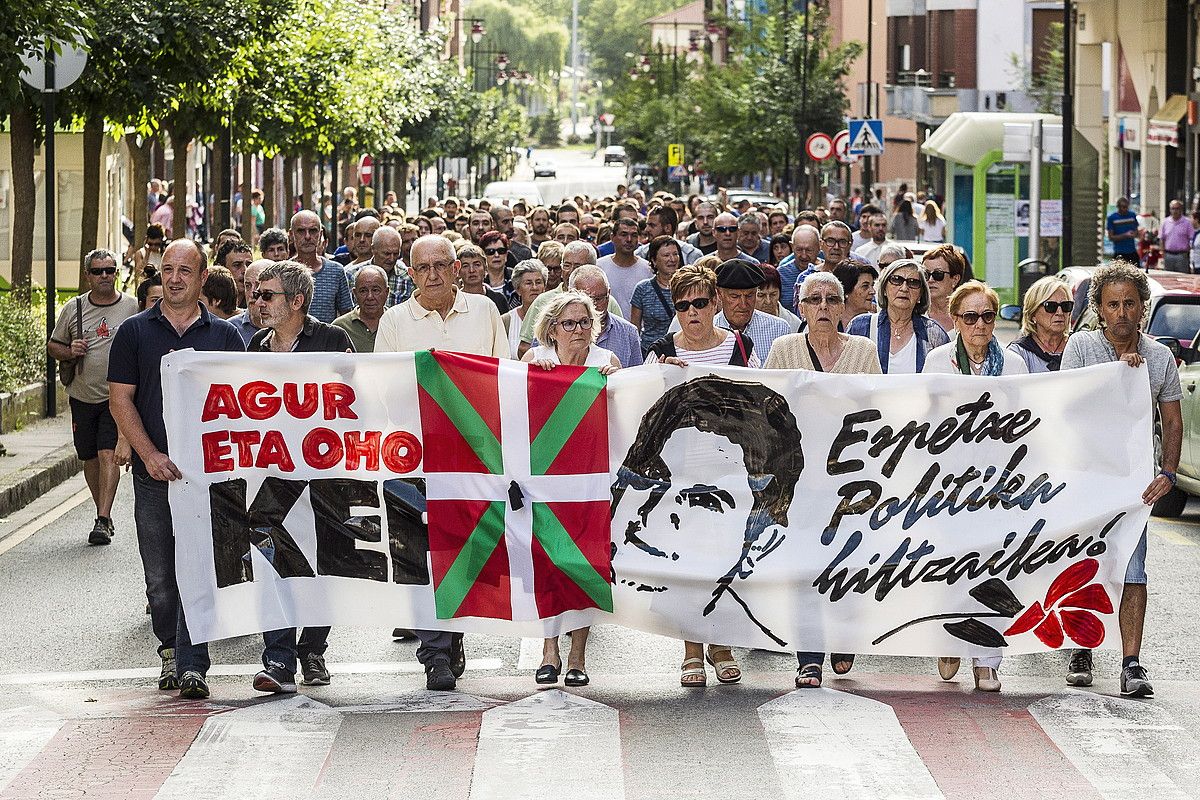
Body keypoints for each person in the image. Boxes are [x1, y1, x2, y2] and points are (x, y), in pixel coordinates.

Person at [107, 239, 246, 700]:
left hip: (207, 480)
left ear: (204, 278)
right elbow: (120, 399)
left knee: (199, 569)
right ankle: (170, 647)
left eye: (185, 270)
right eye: (167, 269)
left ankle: (192, 663)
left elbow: (246, 404)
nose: (174, 277)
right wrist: (147, 454)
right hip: (153, 474)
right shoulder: (133, 332)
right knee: (161, 579)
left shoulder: (225, 337)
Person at [374, 235, 508, 691]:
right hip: (416, 455)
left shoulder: (485, 312)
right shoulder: (394, 322)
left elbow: (502, 376)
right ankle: (434, 651)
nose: (432, 274)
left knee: (464, 550)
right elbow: (384, 388)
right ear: (409, 274)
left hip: (474, 453)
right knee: (421, 551)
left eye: (440, 265)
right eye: (422, 267)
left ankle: (452, 634)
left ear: (457, 268)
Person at [1060, 262, 1181, 698]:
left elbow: (1171, 419)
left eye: (1130, 303)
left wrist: (1168, 471)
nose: (1123, 312)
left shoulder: (1160, 357)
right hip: (1087, 481)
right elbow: (1069, 407)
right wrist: (1117, 375)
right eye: (1113, 304)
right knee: (1083, 565)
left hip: (1135, 487)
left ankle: (1131, 662)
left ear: (1142, 307)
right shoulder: (1080, 348)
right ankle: (1081, 648)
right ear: (1099, 308)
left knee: (1133, 568)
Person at [764, 271, 880, 688]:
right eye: (816, 300)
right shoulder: (784, 349)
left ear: (845, 306)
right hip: (801, 476)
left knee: (848, 557)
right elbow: (769, 409)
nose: (825, 308)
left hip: (851, 476)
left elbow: (877, 410)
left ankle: (845, 635)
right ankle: (809, 655)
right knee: (804, 563)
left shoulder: (864, 351)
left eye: (833, 300)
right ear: (802, 308)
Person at [645, 263, 757, 686]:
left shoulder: (740, 348)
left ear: (715, 305)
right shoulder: (659, 349)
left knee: (727, 557)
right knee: (688, 561)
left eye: (700, 303)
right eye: (683, 304)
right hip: (680, 474)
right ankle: (692, 649)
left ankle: (722, 644)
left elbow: (756, 402)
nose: (692, 312)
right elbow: (644, 410)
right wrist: (660, 377)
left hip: (729, 470)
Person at [245, 261, 354, 691]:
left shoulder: (332, 340)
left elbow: (354, 399)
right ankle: (277, 660)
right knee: (271, 555)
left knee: (324, 560)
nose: (258, 302)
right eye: (256, 295)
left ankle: (312, 649)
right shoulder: (256, 345)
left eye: (267, 295)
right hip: (274, 471)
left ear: (296, 301)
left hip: (327, 471)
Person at [521, 292, 620, 688]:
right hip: (545, 477)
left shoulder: (605, 363)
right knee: (548, 561)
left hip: (591, 479)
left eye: (584, 322)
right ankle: (549, 649)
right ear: (551, 329)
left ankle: (578, 654)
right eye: (569, 323)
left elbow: (625, 413)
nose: (578, 330)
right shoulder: (535, 361)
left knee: (584, 564)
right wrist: (535, 373)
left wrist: (619, 384)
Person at [47, 248, 139, 545]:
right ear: (88, 275)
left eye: (110, 270)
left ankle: (103, 516)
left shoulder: (131, 307)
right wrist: (69, 349)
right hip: (82, 396)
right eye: (98, 271)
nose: (105, 276)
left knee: (107, 452)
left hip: (117, 397)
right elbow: (53, 346)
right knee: (89, 456)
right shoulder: (73, 308)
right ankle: (103, 510)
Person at [847, 258, 949, 373]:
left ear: (920, 295)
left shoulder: (934, 334)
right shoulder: (860, 327)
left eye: (913, 283)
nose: (904, 288)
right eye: (896, 280)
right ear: (884, 289)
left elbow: (944, 383)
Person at [567, 265, 644, 368]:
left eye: (598, 299)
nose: (592, 305)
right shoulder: (553, 330)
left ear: (608, 295)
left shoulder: (628, 334)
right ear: (570, 295)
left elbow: (635, 379)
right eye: (586, 299)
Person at [289, 210, 353, 323]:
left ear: (321, 234)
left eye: (313, 231)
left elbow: (346, 316)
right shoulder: (282, 273)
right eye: (301, 231)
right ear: (291, 234)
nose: (307, 236)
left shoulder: (336, 271)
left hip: (327, 340)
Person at [1008, 275, 1072, 373]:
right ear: (1033, 314)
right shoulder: (1018, 352)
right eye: (1051, 306)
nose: (1060, 312)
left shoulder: (1079, 346)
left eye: (1065, 306)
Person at [630, 236, 682, 353]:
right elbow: (635, 327)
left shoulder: (688, 287)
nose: (672, 259)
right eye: (666, 255)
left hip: (680, 350)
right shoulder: (643, 288)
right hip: (650, 351)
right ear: (654, 260)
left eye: (675, 254)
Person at [597, 217, 653, 318]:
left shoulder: (648, 269)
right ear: (612, 237)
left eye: (634, 235)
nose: (629, 240)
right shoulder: (599, 267)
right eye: (624, 235)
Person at [334, 264, 390, 353]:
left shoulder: (397, 323)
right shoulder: (340, 327)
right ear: (355, 294)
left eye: (375, 290)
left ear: (387, 292)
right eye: (363, 291)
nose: (370, 297)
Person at [501, 259, 548, 358]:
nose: (534, 287)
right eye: (528, 283)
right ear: (518, 289)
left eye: (538, 282)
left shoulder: (554, 317)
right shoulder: (506, 321)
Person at [458, 242, 511, 317]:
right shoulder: (455, 301)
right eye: (465, 266)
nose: (472, 270)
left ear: (485, 269)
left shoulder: (498, 299)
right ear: (458, 271)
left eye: (477, 265)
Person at [921, 243, 965, 332]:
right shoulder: (913, 315)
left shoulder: (967, 317)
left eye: (938, 274)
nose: (930, 280)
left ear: (955, 280)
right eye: (925, 274)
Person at [229, 259, 268, 345]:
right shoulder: (229, 330)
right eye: (248, 286)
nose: (252, 293)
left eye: (258, 286)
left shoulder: (288, 328)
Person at [756, 264, 801, 331]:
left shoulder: (794, 323)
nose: (768, 301)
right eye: (761, 295)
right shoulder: (742, 323)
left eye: (773, 294)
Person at [833, 262, 877, 329]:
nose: (873, 291)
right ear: (846, 291)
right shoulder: (830, 322)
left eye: (872, 285)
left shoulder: (876, 324)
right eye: (865, 286)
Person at [127, 224, 166, 291]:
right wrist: (147, 255)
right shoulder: (141, 253)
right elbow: (139, 273)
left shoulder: (164, 253)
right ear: (146, 240)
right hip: (146, 289)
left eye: (157, 244)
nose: (153, 247)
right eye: (150, 244)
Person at [1106, 196, 1140, 266]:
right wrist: (1125, 235)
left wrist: (1134, 234)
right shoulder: (1112, 218)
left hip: (1131, 251)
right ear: (1118, 207)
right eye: (1123, 207)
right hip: (1120, 251)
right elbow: (1111, 237)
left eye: (1126, 207)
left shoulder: (1132, 215)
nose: (1125, 209)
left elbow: (1136, 231)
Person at [1159, 200, 1191, 273]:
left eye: (1177, 208)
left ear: (1181, 209)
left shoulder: (1187, 222)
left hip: (1182, 256)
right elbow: (1162, 239)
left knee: (1183, 279)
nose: (1175, 211)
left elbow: (1191, 239)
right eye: (1173, 208)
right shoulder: (1165, 222)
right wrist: (1163, 254)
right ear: (1170, 210)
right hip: (1168, 256)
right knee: (1168, 278)